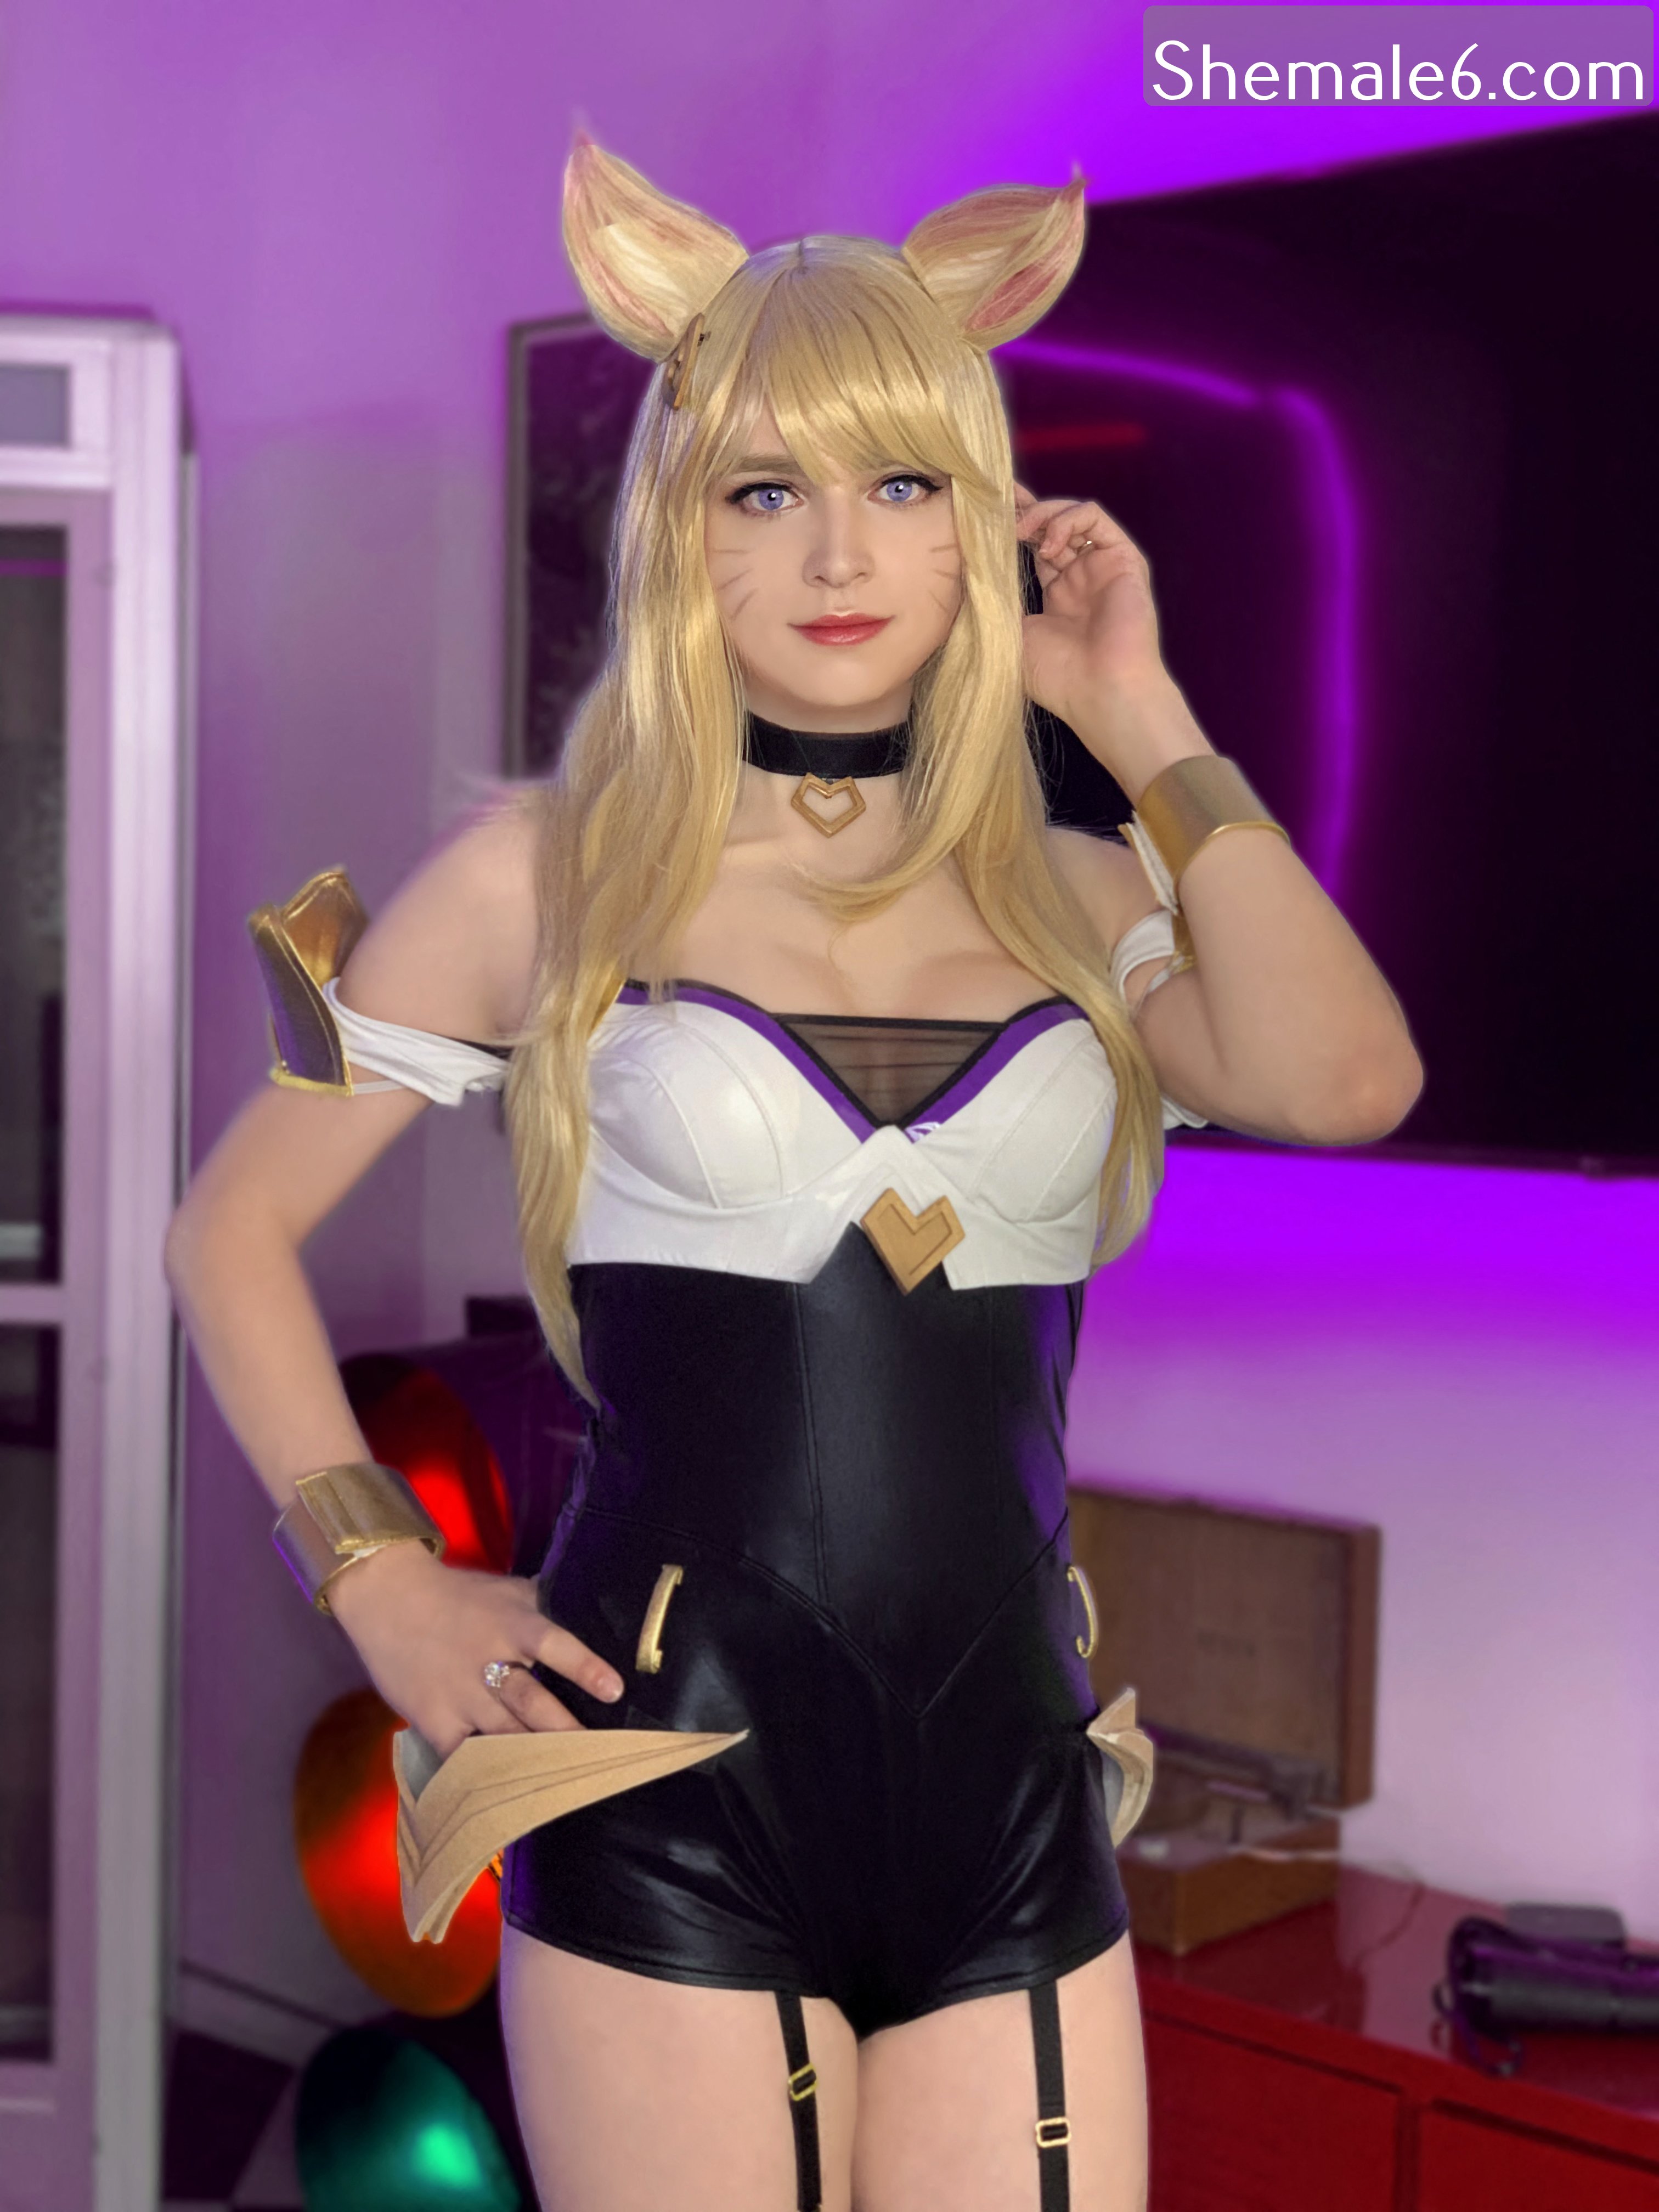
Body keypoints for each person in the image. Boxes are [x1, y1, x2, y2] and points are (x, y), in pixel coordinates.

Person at [166, 138, 1422, 2212]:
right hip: (664, 1793)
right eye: (765, 490)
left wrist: (1135, 707)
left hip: (1015, 1807)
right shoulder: (544, 880)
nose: (840, 551)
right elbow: (233, 1228)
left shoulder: (1081, 889)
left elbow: (1349, 1079)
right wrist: (377, 1578)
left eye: (903, 483)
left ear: (980, 521)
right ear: (682, 525)